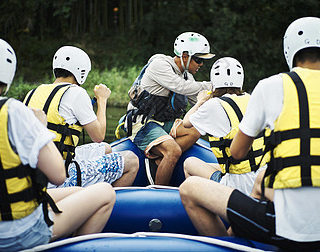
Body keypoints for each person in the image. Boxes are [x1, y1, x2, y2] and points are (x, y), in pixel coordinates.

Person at [179, 17, 320, 250]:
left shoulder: (271, 87)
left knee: (189, 189)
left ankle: (230, 245)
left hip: (286, 229)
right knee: (261, 180)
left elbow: (238, 152)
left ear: (288, 51)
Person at [0, 36, 116, 251]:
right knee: (105, 192)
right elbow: (58, 175)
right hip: (23, 232)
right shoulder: (13, 112)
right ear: (7, 77)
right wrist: (40, 128)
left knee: (72, 194)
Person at [24, 46, 138, 188]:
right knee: (132, 161)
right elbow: (98, 136)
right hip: (57, 176)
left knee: (106, 148)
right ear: (81, 71)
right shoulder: (76, 92)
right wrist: (102, 100)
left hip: (33, 170)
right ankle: (107, 205)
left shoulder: (33, 92)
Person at [124, 32, 215, 185]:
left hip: (163, 122)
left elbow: (198, 101)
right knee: (173, 151)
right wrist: (213, 85)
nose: (201, 64)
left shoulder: (188, 77)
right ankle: (159, 190)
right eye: (198, 59)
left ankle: (160, 160)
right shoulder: (160, 65)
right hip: (142, 122)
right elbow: (180, 86)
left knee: (197, 129)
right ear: (185, 56)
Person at [182, 57, 268, 195]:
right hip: (260, 178)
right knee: (213, 166)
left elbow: (186, 122)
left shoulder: (214, 105)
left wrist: (200, 101)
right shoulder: (251, 98)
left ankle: (208, 205)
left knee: (189, 163)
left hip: (238, 184)